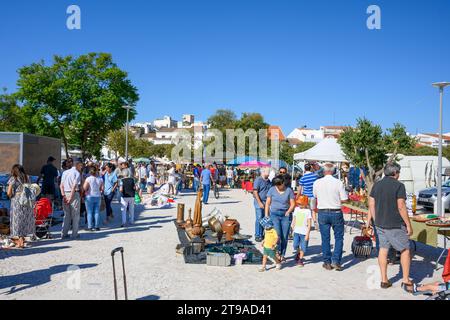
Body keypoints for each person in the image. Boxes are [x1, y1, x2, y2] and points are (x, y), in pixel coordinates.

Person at [367, 162, 415, 292]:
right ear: (395, 173)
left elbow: (371, 203)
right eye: (398, 172)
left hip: (380, 224)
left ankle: (384, 280)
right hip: (395, 224)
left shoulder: (377, 184)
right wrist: (408, 224)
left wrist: (376, 219)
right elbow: (401, 206)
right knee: (405, 250)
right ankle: (405, 279)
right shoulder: (399, 186)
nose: (399, 175)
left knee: (383, 249)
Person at [313, 162, 348, 271]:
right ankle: (336, 261)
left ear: (323, 171)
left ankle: (327, 262)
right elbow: (344, 199)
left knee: (325, 238)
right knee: (338, 237)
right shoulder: (338, 183)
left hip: (322, 211)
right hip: (336, 211)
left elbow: (314, 196)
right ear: (333, 171)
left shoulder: (317, 182)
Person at [265, 175, 296, 261]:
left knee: (284, 236)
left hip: (285, 215)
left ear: (283, 183)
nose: (278, 187)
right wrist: (266, 215)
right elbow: (267, 203)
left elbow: (293, 203)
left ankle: (283, 253)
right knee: (277, 235)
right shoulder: (272, 190)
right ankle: (277, 253)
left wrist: (288, 211)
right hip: (274, 214)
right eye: (276, 185)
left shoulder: (289, 190)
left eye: (279, 185)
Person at [7, 165, 37, 248]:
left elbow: (9, 192)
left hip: (17, 201)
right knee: (24, 219)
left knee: (17, 219)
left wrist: (12, 196)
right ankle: (22, 239)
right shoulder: (27, 178)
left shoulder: (13, 178)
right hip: (27, 201)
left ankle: (20, 241)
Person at [60, 158, 83, 239]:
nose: (81, 167)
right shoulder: (77, 173)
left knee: (67, 215)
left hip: (65, 193)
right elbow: (74, 186)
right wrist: (70, 197)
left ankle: (64, 233)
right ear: (78, 164)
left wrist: (63, 195)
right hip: (73, 194)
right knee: (75, 215)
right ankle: (74, 234)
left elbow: (61, 185)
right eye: (81, 165)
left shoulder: (65, 172)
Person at [291, 196, 312, 267]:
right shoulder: (296, 209)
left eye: (301, 204)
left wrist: (307, 234)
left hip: (304, 232)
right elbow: (294, 219)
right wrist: (292, 228)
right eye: (298, 203)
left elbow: (309, 224)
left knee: (303, 247)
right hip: (296, 231)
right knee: (295, 245)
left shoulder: (308, 211)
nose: (299, 205)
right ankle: (298, 253)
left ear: (305, 204)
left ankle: (300, 259)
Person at [252, 168, 272, 242]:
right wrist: (259, 202)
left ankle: (262, 234)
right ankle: (258, 235)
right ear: (263, 172)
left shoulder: (269, 181)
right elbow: (255, 192)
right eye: (268, 171)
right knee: (259, 218)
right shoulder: (258, 180)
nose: (269, 173)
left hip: (266, 202)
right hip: (258, 202)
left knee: (265, 218)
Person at [297, 164, 319, 229]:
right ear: (310, 168)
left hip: (305, 196)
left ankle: (306, 224)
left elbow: (300, 189)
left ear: (304, 169)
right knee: (313, 211)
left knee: (306, 210)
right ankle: (315, 223)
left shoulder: (303, 178)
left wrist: (297, 196)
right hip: (313, 196)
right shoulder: (314, 177)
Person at [83, 166, 104, 231]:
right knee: (97, 212)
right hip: (98, 196)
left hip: (89, 196)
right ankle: (96, 226)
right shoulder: (100, 179)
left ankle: (90, 226)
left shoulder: (88, 179)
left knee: (89, 212)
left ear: (90, 172)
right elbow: (102, 189)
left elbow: (85, 188)